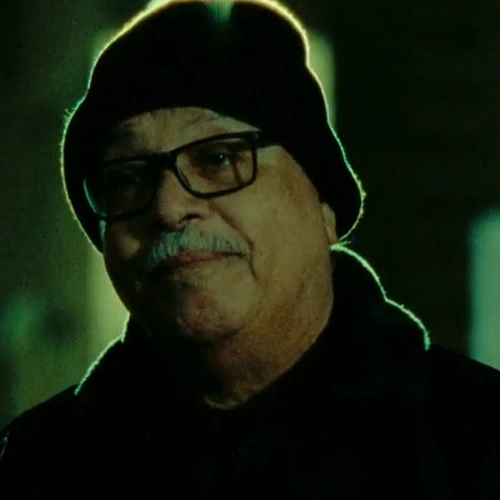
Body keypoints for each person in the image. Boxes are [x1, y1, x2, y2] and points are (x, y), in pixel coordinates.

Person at [1, 0, 500, 497]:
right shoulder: (36, 468)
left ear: (324, 205)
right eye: (127, 179)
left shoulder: (475, 443)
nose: (168, 208)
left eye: (218, 159)